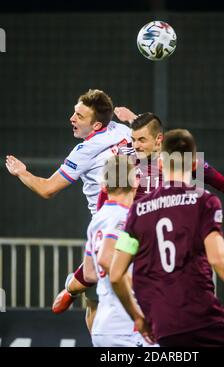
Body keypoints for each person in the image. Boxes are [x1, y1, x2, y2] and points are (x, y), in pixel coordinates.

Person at [56, 110, 224, 314]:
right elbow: (106, 195)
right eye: (133, 140)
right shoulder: (124, 161)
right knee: (89, 278)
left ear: (159, 140)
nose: (135, 145)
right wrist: (104, 222)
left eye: (141, 140)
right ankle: (71, 289)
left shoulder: (183, 161)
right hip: (132, 234)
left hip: (168, 238)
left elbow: (223, 183)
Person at [109, 128, 224, 347]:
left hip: (163, 326)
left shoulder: (137, 211)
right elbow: (218, 259)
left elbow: (117, 274)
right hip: (201, 317)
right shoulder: (203, 201)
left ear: (161, 164)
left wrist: (139, 319)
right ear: (194, 164)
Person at [5, 89, 134, 331]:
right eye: (74, 113)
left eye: (79, 116)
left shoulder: (122, 131)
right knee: (96, 301)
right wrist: (23, 173)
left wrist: (22, 172)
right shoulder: (91, 148)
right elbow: (48, 189)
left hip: (138, 222)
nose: (71, 119)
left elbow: (46, 190)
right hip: (107, 227)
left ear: (96, 124)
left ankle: (74, 286)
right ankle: (74, 288)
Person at [82, 155, 155, 346]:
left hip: (104, 326)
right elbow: (107, 260)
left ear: (104, 186)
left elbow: (89, 274)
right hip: (126, 326)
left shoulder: (97, 220)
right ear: (136, 181)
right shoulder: (125, 218)